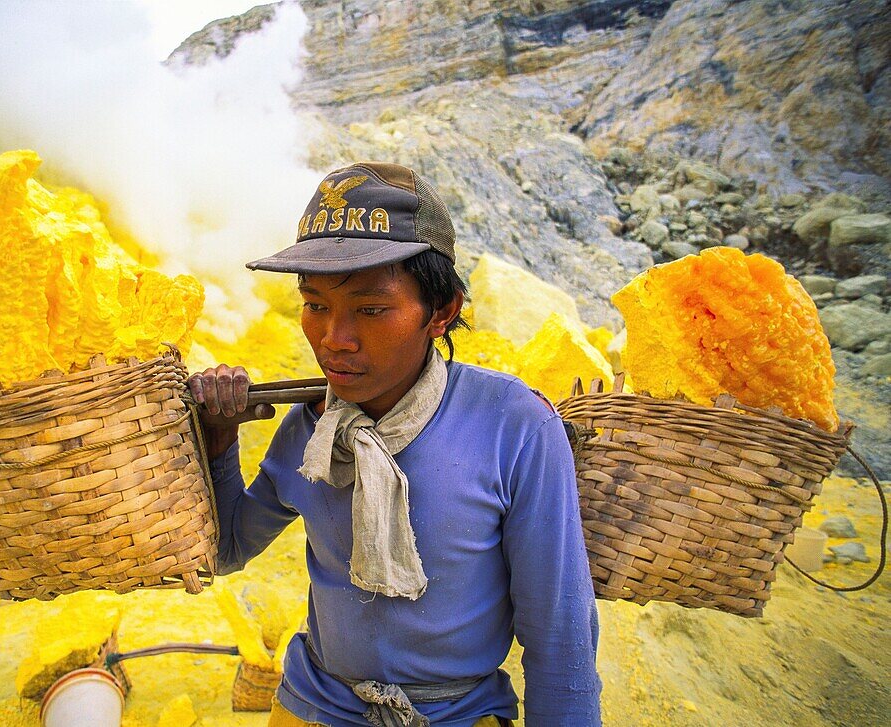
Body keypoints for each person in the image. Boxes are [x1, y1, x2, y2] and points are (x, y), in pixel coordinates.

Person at [189, 162, 602, 726]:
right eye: (315, 305)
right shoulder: (312, 433)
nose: (334, 338)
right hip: (315, 705)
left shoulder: (515, 426)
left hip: (456, 714)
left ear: (442, 311)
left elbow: (559, 636)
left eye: (371, 309)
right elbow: (228, 547)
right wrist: (217, 440)